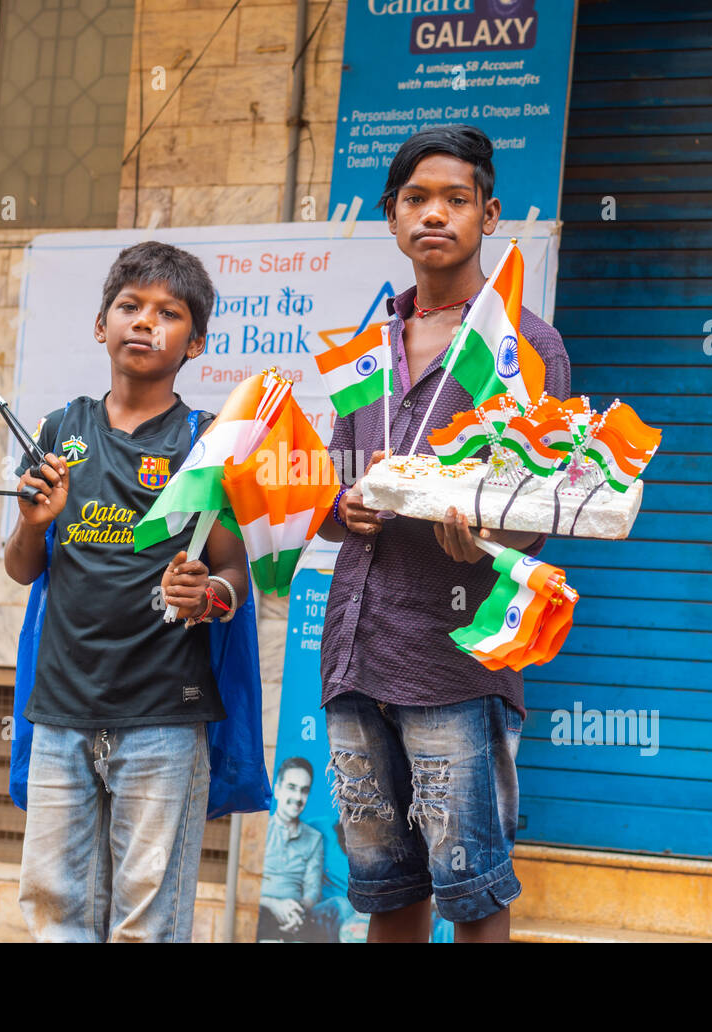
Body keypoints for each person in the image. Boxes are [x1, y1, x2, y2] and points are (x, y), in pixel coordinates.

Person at [316, 125, 572, 943]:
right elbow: (330, 480)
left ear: (489, 214)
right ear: (392, 218)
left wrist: (491, 533)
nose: (436, 214)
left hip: (454, 655)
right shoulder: (365, 348)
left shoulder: (525, 346)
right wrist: (341, 507)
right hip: (356, 651)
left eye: (456, 199)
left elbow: (542, 502)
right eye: (416, 200)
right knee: (388, 888)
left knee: (474, 890)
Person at [5, 240, 249, 942]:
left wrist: (206, 595)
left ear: (195, 342)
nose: (145, 322)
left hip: (163, 718)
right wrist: (34, 524)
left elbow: (233, 574)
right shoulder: (58, 430)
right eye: (129, 306)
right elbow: (24, 567)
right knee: (57, 911)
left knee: (147, 920)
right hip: (60, 712)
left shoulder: (207, 443)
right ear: (100, 325)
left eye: (168, 313)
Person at [257, 756, 345, 942]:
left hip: (298, 913)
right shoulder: (259, 830)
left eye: (304, 791)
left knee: (340, 906)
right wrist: (274, 904)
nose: (297, 797)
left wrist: (296, 908)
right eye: (291, 788)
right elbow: (246, 885)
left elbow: (312, 891)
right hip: (262, 907)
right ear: (278, 789)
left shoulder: (314, 838)